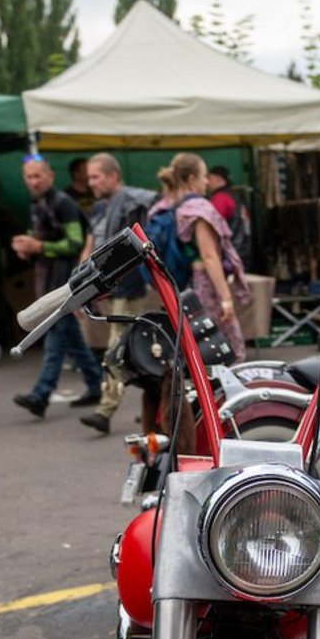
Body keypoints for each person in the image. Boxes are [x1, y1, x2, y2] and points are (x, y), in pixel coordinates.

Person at [11, 156, 103, 420]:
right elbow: (39, 236)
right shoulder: (37, 204)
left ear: (50, 176)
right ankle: (96, 384)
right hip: (49, 281)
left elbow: (76, 243)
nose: (33, 181)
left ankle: (40, 395)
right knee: (70, 337)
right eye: (28, 176)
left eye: (38, 175)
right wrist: (26, 248)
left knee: (53, 337)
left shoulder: (63, 203)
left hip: (64, 283)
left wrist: (38, 247)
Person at [78, 152, 158, 434]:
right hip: (113, 289)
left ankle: (105, 410)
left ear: (113, 175)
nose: (91, 183)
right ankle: (156, 403)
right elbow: (92, 247)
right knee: (136, 353)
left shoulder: (132, 202)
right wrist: (80, 286)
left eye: (96, 176)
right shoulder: (102, 209)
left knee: (118, 352)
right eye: (89, 177)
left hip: (127, 289)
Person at [147, 152, 250, 361]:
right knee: (225, 350)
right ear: (191, 179)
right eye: (203, 176)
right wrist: (226, 299)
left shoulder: (164, 206)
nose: (206, 181)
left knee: (189, 349)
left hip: (178, 286)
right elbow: (209, 256)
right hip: (203, 286)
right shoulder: (198, 210)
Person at [207, 164, 252, 268]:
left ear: (219, 180)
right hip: (243, 252)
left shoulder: (220, 198)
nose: (207, 182)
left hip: (230, 255)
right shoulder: (236, 197)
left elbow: (213, 227)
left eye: (209, 178)